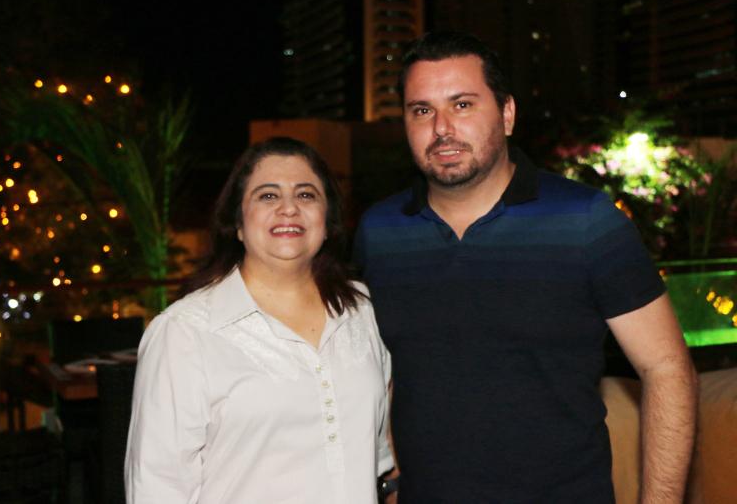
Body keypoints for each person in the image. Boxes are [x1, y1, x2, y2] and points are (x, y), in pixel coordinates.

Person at [354, 32, 698, 503]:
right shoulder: (380, 231)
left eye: (462, 105)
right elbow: (384, 374)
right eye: (421, 110)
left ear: (507, 114)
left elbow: (667, 368)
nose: (441, 128)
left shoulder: (586, 220)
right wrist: (390, 481)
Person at [126, 137, 393, 503]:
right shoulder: (184, 332)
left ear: (327, 221)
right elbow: (157, 487)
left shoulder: (362, 311)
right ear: (237, 223)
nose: (289, 208)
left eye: (306, 195)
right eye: (268, 196)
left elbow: (378, 453)